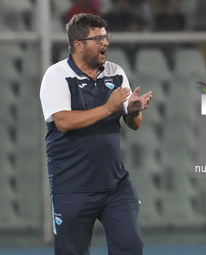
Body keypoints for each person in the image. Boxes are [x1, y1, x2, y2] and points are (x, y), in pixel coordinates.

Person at [40, 13, 152, 255]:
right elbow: (63, 122)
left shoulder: (115, 71)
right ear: (78, 45)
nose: (106, 43)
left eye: (106, 36)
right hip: (72, 187)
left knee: (131, 249)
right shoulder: (57, 76)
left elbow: (135, 124)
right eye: (98, 38)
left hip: (115, 186)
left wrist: (132, 111)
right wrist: (108, 108)